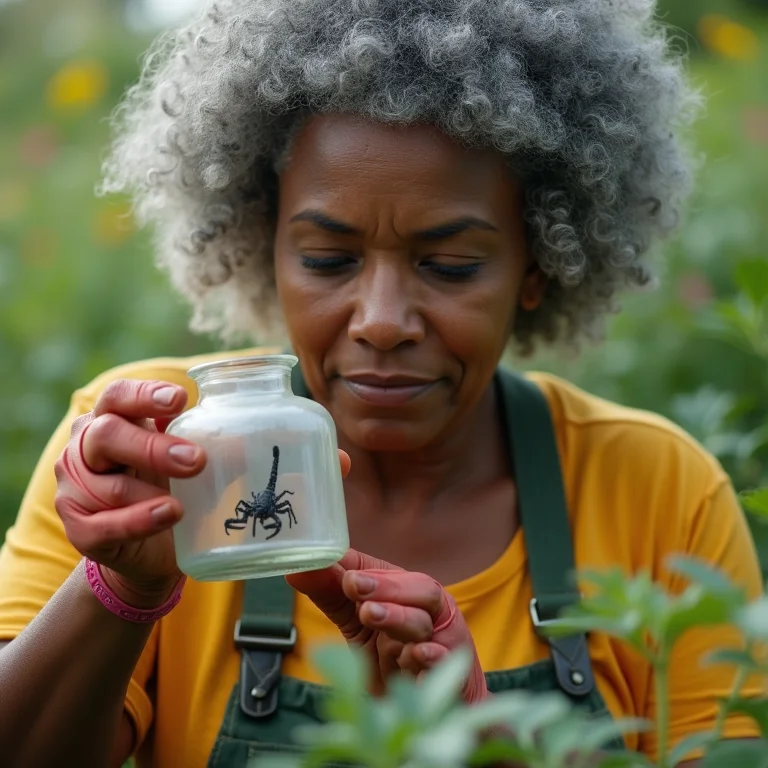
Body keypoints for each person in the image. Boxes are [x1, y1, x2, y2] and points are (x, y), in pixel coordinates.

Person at [0, 0, 763, 766]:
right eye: (329, 260)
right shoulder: (147, 459)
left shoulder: (661, 490)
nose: (384, 320)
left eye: (451, 265)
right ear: (263, 247)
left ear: (537, 266)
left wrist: (488, 746)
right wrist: (121, 589)